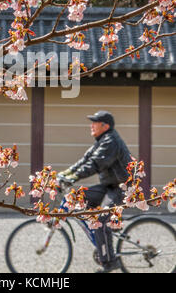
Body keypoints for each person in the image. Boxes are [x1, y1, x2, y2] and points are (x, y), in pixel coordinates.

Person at [58, 110, 132, 273]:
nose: (91, 125)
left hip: (120, 188)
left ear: (105, 126)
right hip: (109, 186)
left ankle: (109, 262)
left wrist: (73, 177)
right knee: (77, 197)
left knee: (99, 220)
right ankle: (104, 238)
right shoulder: (102, 141)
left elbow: (95, 164)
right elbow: (85, 160)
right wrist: (64, 175)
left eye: (94, 122)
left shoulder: (111, 141)